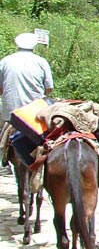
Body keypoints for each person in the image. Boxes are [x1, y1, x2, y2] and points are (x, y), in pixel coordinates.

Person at [0, 32, 54, 170]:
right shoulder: (41, 62)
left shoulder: (5, 61)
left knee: (1, 130)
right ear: (34, 46)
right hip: (35, 112)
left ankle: (3, 161)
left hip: (11, 112)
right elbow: (49, 89)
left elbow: (1, 89)